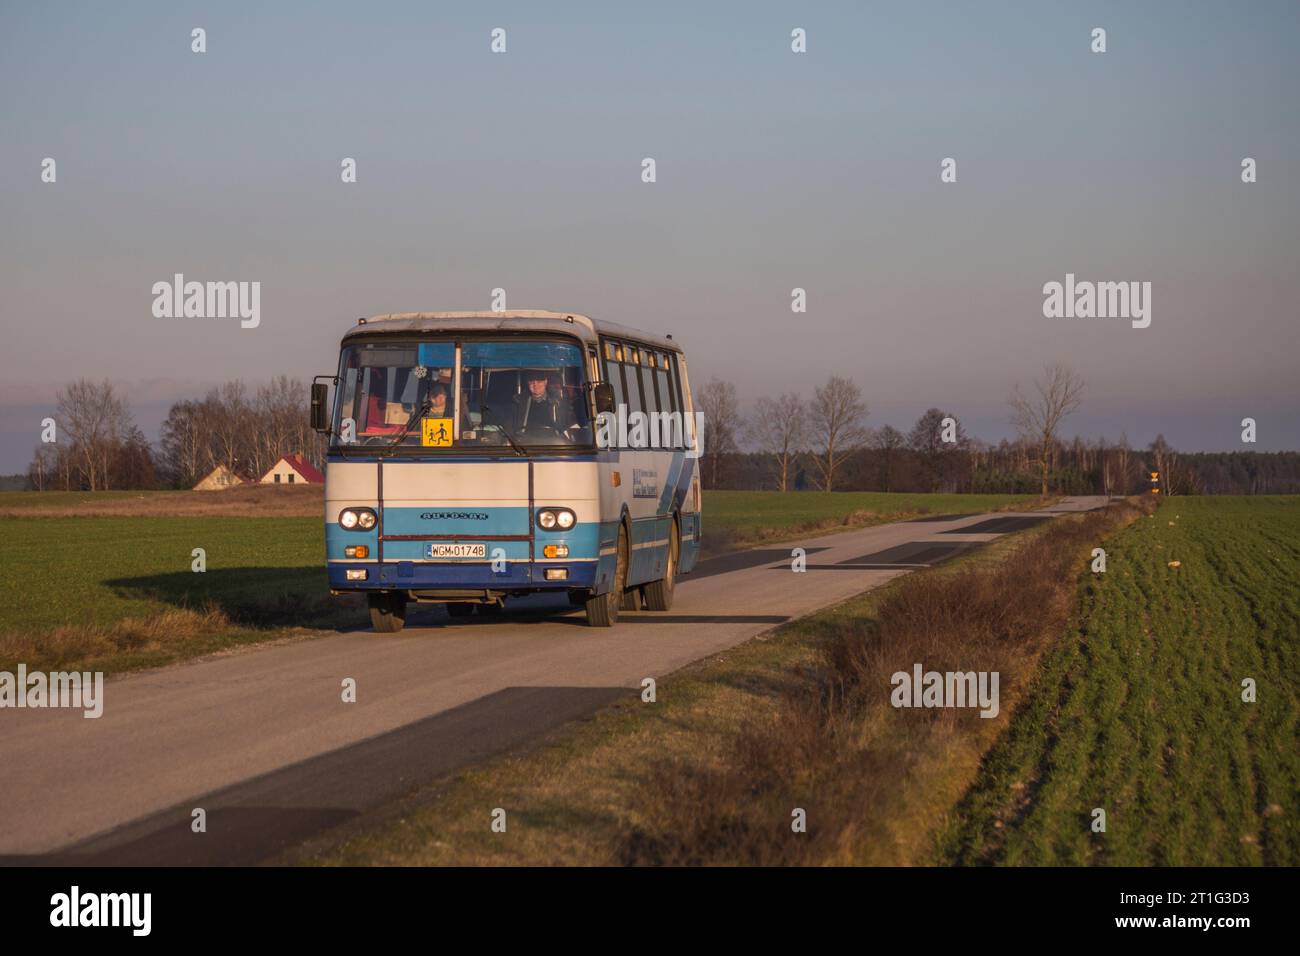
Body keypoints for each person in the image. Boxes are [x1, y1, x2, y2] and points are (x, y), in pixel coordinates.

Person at [511, 369, 574, 437]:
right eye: (532, 382)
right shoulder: (518, 403)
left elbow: (569, 426)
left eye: (539, 381)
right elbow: (512, 429)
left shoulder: (559, 402)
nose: (535, 385)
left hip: (554, 444)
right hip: (526, 444)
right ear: (528, 384)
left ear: (545, 382)